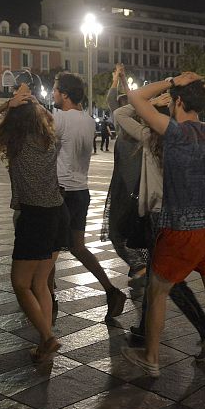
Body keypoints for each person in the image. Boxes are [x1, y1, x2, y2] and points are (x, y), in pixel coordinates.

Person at [121, 72, 205, 400]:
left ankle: (152, 358)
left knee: (157, 293)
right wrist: (203, 90)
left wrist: (174, 80)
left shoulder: (173, 132)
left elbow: (135, 97)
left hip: (179, 230)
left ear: (179, 102)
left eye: (174, 101)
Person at [113, 92, 205, 360]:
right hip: (183, 214)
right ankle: (145, 330)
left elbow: (121, 114)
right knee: (155, 276)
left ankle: (204, 331)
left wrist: (151, 102)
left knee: (167, 280)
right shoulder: (182, 136)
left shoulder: (151, 136)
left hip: (159, 215)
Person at [0, 85, 68, 362]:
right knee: (41, 284)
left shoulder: (14, 138)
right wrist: (34, 102)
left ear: (14, 117)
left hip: (35, 217)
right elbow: (47, 116)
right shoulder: (48, 136)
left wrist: (7, 104)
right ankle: (43, 343)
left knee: (20, 283)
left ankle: (49, 338)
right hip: (57, 213)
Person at [51, 72, 127, 320]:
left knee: (48, 249)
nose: (52, 94)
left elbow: (45, 149)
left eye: (55, 90)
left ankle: (47, 297)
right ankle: (111, 290)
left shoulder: (59, 118)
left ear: (64, 94)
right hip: (81, 191)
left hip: (61, 191)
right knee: (78, 247)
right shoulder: (88, 120)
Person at [101, 64, 147, 283]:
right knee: (132, 229)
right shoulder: (137, 130)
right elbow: (114, 100)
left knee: (117, 231)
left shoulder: (135, 131)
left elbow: (117, 101)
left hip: (129, 190)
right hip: (131, 188)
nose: (120, 106)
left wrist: (119, 79)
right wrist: (121, 79)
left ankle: (138, 264)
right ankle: (141, 264)